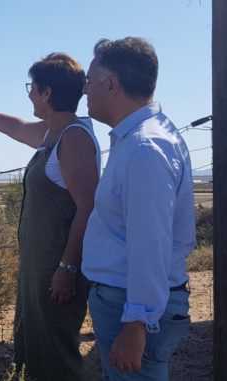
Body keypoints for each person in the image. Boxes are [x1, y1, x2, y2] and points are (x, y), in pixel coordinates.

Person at [0, 53, 100, 381]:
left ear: (47, 93)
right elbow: (17, 128)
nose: (29, 94)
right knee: (35, 347)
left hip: (58, 267)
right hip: (40, 266)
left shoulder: (74, 138)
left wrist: (67, 268)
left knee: (55, 355)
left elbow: (88, 209)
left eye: (32, 87)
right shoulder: (54, 133)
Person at [81, 37, 195, 380]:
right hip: (126, 301)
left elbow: (150, 246)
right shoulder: (138, 140)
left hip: (129, 306)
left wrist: (136, 324)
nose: (84, 89)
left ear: (111, 84)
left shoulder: (144, 149)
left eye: (89, 81)